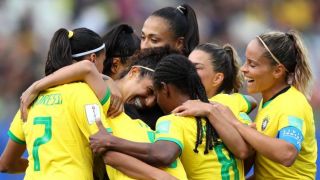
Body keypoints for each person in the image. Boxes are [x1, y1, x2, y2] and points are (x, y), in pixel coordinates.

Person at [0, 28, 174, 180]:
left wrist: (47, 164)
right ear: (92, 59)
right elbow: (107, 147)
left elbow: (5, 164)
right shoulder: (85, 94)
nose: (103, 70)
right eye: (103, 61)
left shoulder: (29, 101)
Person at [174, 30, 317, 179]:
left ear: (278, 71)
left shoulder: (292, 103)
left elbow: (287, 154)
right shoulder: (268, 102)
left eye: (252, 65)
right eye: (246, 62)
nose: (244, 69)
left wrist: (234, 122)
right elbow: (268, 171)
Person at [89, 54, 250, 179]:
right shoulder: (221, 104)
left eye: (155, 94)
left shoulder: (174, 121)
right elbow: (251, 101)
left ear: (165, 89)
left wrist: (111, 141)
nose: (152, 102)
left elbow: (163, 154)